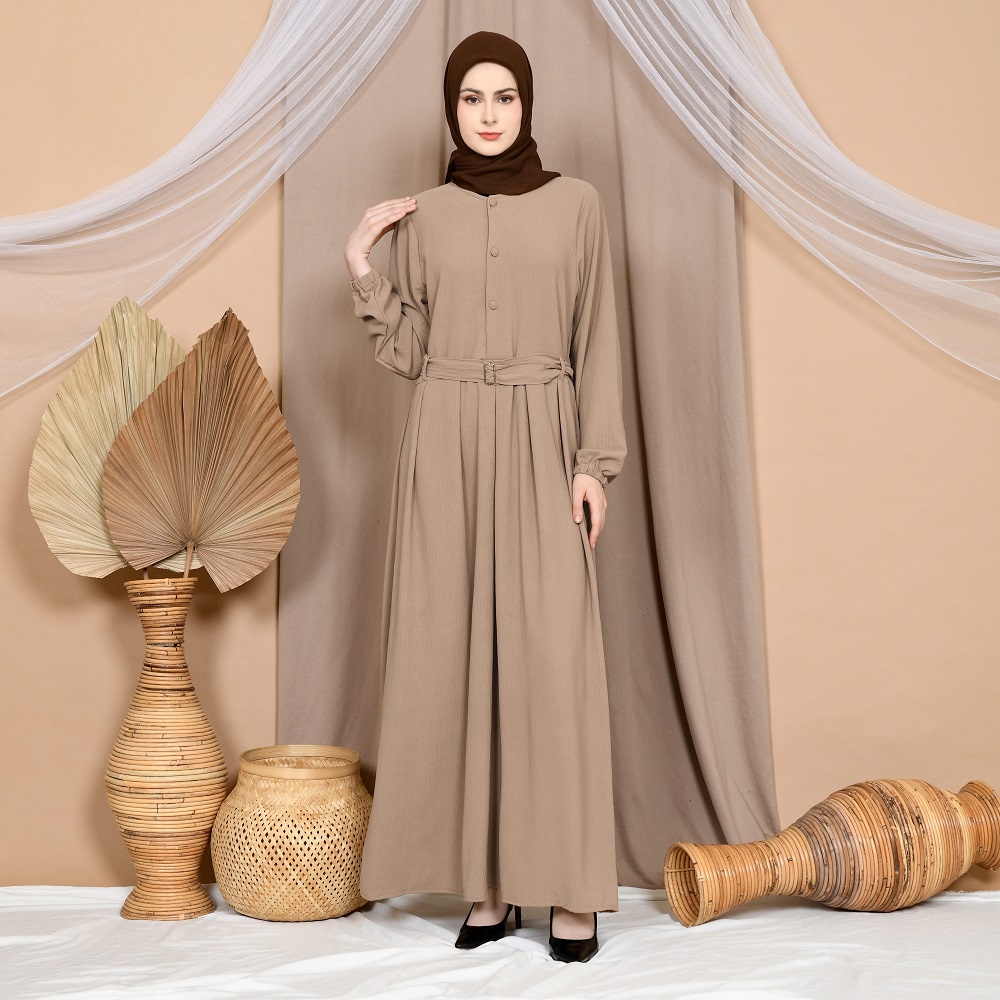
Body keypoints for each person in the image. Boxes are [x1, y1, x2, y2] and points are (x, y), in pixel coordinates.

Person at [343, 30, 626, 964]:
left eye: (505, 97)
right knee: (454, 655)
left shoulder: (579, 205)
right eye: (472, 98)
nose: (490, 114)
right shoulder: (424, 214)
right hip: (447, 443)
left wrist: (593, 463)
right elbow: (411, 354)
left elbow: (599, 337)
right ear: (452, 110)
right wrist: (362, 263)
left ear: (528, 104)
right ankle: (488, 887)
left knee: (551, 659)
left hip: (544, 435)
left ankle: (572, 888)